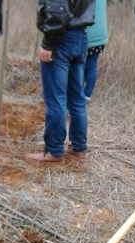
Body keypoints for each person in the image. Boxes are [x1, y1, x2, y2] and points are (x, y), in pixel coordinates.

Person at [25, 0, 96, 164]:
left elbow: (58, 10)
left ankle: (54, 151)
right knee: (77, 98)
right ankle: (78, 148)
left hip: (61, 37)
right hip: (81, 36)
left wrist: (48, 44)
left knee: (56, 99)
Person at [84, 0, 108, 103]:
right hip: (100, 34)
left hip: (87, 32)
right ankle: (87, 95)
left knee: (80, 64)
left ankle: (77, 93)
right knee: (92, 64)